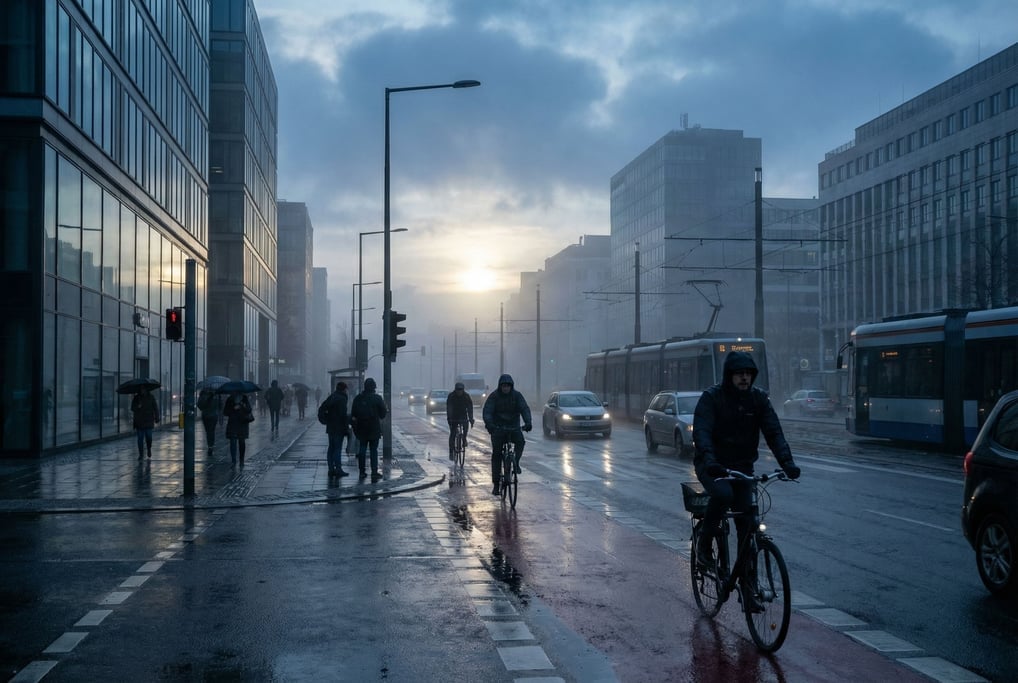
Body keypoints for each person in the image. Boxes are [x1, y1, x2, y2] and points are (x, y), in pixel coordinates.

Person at [692, 351, 801, 575]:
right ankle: (704, 545)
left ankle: (748, 583)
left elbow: (774, 433)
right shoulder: (712, 398)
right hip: (712, 464)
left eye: (748, 374)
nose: (744, 378)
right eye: (739, 374)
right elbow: (702, 433)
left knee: (747, 522)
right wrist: (710, 460)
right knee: (723, 495)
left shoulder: (758, 399)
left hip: (742, 466)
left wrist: (787, 463)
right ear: (728, 376)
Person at [482, 374, 532, 495]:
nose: (505, 388)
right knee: (497, 455)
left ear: (511, 386)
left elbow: (524, 408)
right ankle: (496, 484)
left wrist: (528, 422)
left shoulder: (517, 396)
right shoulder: (494, 396)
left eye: (507, 386)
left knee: (520, 442)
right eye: (503, 386)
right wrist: (490, 424)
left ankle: (516, 462)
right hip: (498, 428)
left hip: (514, 427)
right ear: (500, 386)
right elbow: (487, 411)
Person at [350, 377, 387, 480]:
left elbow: (353, 414)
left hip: (361, 428)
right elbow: (383, 414)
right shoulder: (377, 398)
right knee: (373, 450)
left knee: (362, 449)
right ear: (374, 387)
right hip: (374, 428)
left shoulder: (358, 398)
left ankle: (362, 472)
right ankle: (374, 472)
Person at [320, 382, 350, 478]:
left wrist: (325, 420)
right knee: (337, 448)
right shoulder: (342, 399)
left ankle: (331, 469)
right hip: (339, 427)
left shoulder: (332, 396)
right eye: (346, 389)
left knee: (331, 448)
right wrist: (346, 428)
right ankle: (338, 469)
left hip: (331, 427)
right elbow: (343, 415)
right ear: (344, 389)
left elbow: (322, 407)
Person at [446, 382, 474, 460]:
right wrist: (449, 418)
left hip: (463, 415)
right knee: (453, 433)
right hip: (454, 416)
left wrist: (471, 419)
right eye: (458, 390)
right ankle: (451, 452)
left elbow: (470, 408)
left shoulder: (466, 397)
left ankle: (464, 438)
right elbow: (449, 408)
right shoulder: (451, 396)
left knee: (465, 426)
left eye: (461, 390)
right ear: (455, 390)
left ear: (463, 390)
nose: (459, 392)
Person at [224, 391, 254, 465]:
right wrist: (233, 408)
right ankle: (233, 460)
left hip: (242, 423)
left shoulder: (244, 399)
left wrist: (243, 406)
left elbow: (249, 409)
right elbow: (225, 412)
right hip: (233, 424)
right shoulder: (230, 399)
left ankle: (241, 459)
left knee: (241, 442)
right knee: (233, 442)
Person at [131, 387, 159, 459]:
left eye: (143, 389)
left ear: (146, 389)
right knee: (140, 438)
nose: (142, 390)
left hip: (148, 420)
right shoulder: (136, 398)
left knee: (149, 437)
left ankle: (149, 448)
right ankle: (141, 454)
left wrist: (157, 417)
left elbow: (155, 407)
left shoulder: (151, 397)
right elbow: (132, 408)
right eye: (141, 389)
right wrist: (138, 406)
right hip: (139, 421)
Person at [197, 388, 220, 454]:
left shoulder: (203, 395)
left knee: (208, 431)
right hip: (213, 416)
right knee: (211, 431)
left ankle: (210, 445)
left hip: (205, 415)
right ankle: (211, 445)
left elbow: (199, 406)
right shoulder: (216, 396)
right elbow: (219, 406)